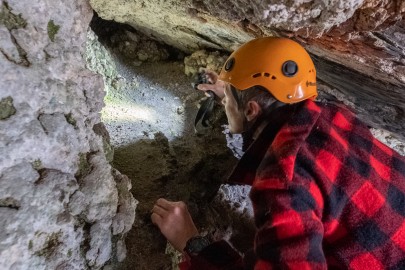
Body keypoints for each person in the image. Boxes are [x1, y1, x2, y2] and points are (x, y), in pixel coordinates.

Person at [151, 37, 405, 269]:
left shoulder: (282, 182)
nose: (226, 106)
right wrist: (232, 94)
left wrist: (192, 244)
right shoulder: (335, 116)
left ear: (251, 110)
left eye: (230, 101)